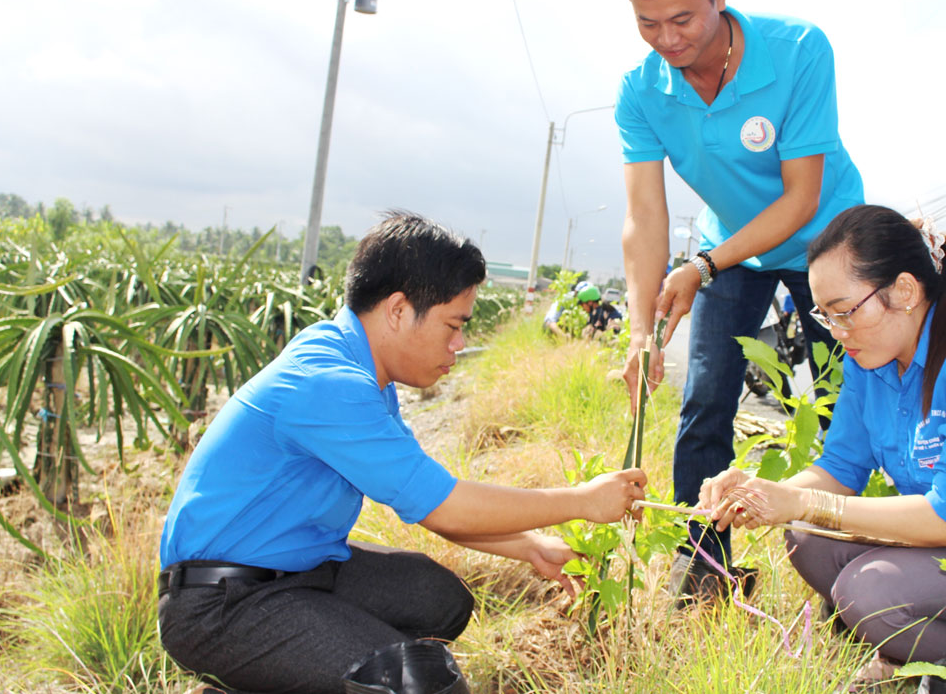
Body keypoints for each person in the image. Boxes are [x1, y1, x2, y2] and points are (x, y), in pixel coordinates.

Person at [158, 213, 647, 694]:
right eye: (453, 325)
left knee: (438, 600)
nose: (458, 345)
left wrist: (530, 546)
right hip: (221, 606)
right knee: (424, 684)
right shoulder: (328, 382)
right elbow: (443, 505)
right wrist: (583, 500)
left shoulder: (363, 371)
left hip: (299, 570)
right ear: (397, 309)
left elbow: (429, 501)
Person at [699, 205, 946, 683]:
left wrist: (802, 501)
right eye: (825, 316)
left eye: (845, 311)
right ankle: (918, 656)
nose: (836, 331)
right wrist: (764, 493)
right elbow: (840, 467)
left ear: (905, 291)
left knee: (867, 592)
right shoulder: (870, 361)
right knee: (806, 538)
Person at [614, 0, 864, 591]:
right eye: (647, 24)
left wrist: (700, 267)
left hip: (823, 241)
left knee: (845, 402)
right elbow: (642, 217)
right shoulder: (641, 91)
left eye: (682, 18)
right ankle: (702, 567)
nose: (668, 40)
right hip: (732, 253)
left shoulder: (798, 50)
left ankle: (857, 567)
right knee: (704, 402)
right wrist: (642, 334)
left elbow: (800, 197)